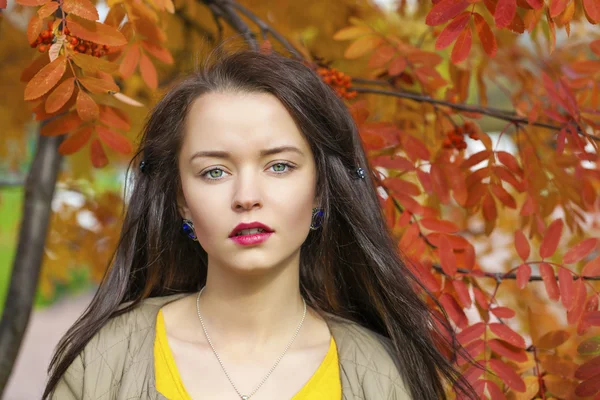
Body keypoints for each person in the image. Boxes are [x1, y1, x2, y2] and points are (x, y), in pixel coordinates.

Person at [43, 48, 476, 400]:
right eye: (215, 171)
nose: (246, 196)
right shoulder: (106, 357)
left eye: (280, 166)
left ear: (321, 189)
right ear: (182, 201)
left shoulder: (379, 375)